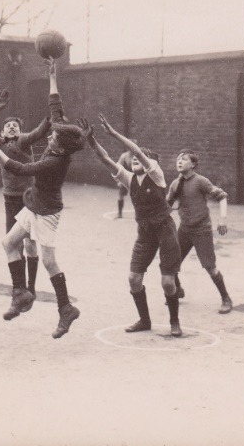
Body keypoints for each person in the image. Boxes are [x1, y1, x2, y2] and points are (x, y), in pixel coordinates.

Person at [0, 58, 86, 339]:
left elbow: (20, 168)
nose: (49, 137)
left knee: (50, 262)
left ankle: (66, 308)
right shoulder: (61, 143)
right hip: (32, 205)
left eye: (53, 138)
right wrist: (52, 77)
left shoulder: (53, 163)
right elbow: (56, 110)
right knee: (8, 242)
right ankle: (21, 293)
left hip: (46, 212)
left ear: (61, 147)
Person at [79, 115, 183, 337]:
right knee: (134, 279)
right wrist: (91, 140)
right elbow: (106, 158)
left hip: (164, 229)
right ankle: (144, 321)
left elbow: (135, 151)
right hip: (145, 231)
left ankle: (175, 321)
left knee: (167, 283)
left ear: (151, 162)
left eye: (142, 157)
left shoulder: (156, 175)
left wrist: (114, 133)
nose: (137, 158)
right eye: (136, 158)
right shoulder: (128, 178)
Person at [0, 89, 52, 299]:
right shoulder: (1, 143)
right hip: (9, 200)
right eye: (7, 125)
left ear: (21, 132)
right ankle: (20, 287)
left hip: (28, 199)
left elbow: (39, 131)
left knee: (30, 244)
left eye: (15, 125)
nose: (11, 127)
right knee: (12, 243)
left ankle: (30, 287)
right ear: (2, 134)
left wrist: (50, 117)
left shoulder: (23, 141)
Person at [167, 149, 233, 314]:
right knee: (170, 262)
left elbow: (222, 197)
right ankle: (178, 290)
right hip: (184, 229)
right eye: (178, 159)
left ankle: (226, 298)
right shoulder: (175, 184)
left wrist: (223, 219)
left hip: (201, 230)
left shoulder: (200, 181)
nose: (179, 161)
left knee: (210, 267)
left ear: (193, 164)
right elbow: (167, 206)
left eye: (184, 159)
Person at [115, 144, 136, 218]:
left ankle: (138, 212)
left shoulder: (138, 156)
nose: (131, 149)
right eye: (130, 147)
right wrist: (119, 180)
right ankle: (119, 213)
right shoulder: (124, 156)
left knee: (136, 196)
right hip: (125, 177)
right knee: (121, 194)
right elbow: (118, 167)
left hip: (135, 177)